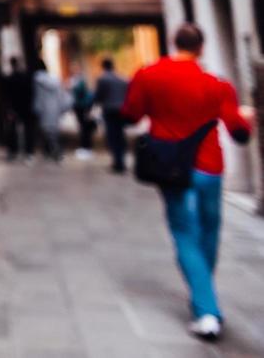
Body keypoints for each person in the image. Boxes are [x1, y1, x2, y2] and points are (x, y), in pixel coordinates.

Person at [121, 23, 256, 342]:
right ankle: (205, 301)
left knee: (184, 233)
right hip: (210, 167)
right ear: (201, 48)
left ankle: (205, 305)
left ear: (173, 43)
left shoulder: (149, 74)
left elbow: (131, 114)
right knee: (209, 232)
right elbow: (239, 133)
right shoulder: (217, 85)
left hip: (171, 168)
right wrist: (245, 117)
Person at [93, 56, 130, 173]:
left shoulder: (102, 79)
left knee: (113, 136)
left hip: (110, 110)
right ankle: (121, 160)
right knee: (119, 135)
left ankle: (117, 161)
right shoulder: (122, 79)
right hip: (122, 110)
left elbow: (98, 96)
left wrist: (91, 106)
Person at [32, 65, 71, 161]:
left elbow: (38, 97)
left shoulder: (37, 82)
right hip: (55, 109)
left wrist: (36, 108)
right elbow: (61, 96)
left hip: (44, 109)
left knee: (46, 131)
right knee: (54, 132)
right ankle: (54, 151)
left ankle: (54, 151)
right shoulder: (55, 81)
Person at [1, 57, 36, 160]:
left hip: (14, 108)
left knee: (12, 130)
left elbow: (7, 96)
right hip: (26, 108)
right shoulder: (26, 77)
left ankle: (13, 151)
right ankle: (28, 152)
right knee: (27, 129)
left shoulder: (10, 79)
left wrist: (9, 109)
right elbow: (31, 93)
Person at [69, 65, 96, 158]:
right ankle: (85, 147)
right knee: (83, 127)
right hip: (80, 107)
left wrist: (72, 87)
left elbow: (79, 92)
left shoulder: (79, 81)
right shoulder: (77, 80)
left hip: (82, 107)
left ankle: (86, 148)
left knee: (84, 128)